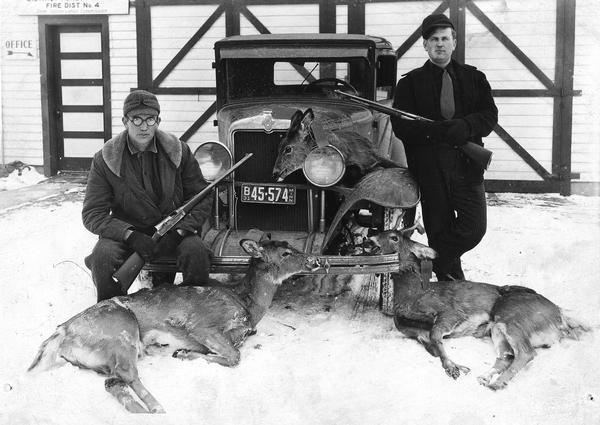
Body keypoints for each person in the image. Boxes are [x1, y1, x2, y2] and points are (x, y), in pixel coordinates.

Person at [391, 14, 498, 281]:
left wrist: (466, 126)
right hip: (430, 170)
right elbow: (401, 127)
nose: (440, 44)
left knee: (474, 228)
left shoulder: (475, 78)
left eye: (445, 39)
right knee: (439, 230)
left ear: (454, 42)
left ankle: (431, 258)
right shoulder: (409, 84)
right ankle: (451, 283)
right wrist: (435, 131)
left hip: (466, 168)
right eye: (434, 40)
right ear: (425, 45)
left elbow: (489, 116)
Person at [82, 90, 213, 301]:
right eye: (136, 119)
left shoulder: (178, 151)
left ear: (158, 121)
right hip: (127, 233)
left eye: (150, 119)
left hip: (171, 231)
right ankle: (110, 312)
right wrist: (129, 235)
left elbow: (202, 197)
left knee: (196, 251)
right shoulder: (105, 158)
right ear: (125, 121)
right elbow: (93, 213)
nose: (144, 126)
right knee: (102, 256)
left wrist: (178, 232)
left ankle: (193, 310)